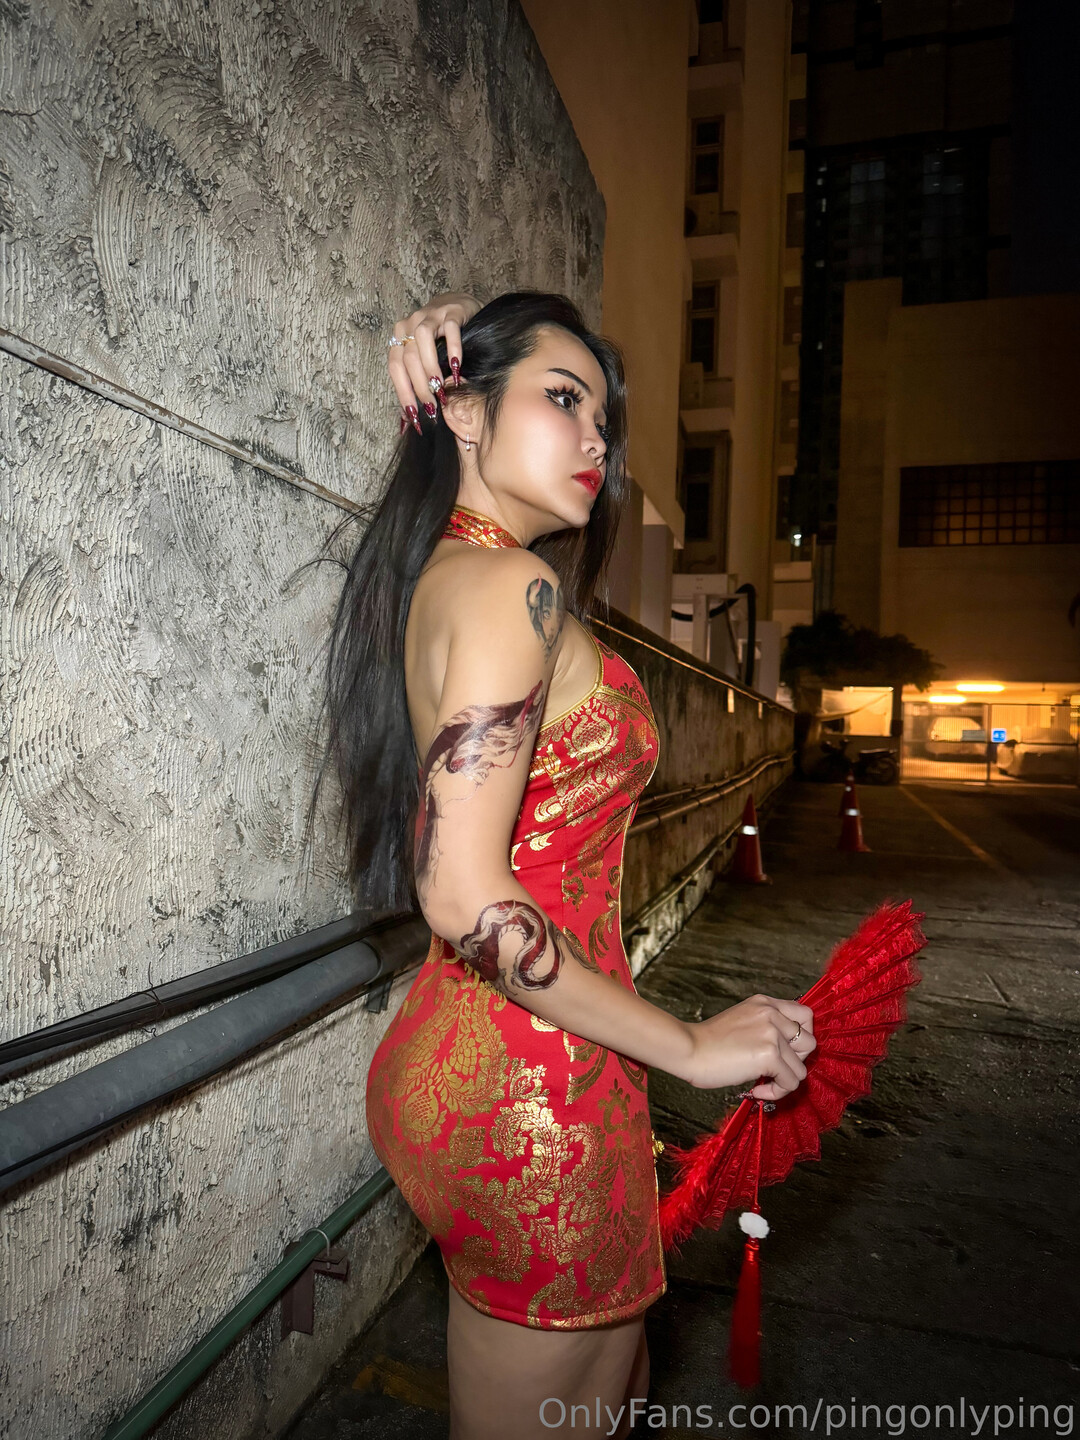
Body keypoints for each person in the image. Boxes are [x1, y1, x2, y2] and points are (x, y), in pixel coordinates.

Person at [316, 290, 816, 1440]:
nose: (597, 438)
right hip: (529, 1088)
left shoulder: (451, 572)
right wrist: (691, 1047)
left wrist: (465, 337)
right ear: (465, 412)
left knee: (604, 1395)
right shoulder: (511, 590)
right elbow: (461, 892)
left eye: (604, 417)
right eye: (563, 399)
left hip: (504, 1058)